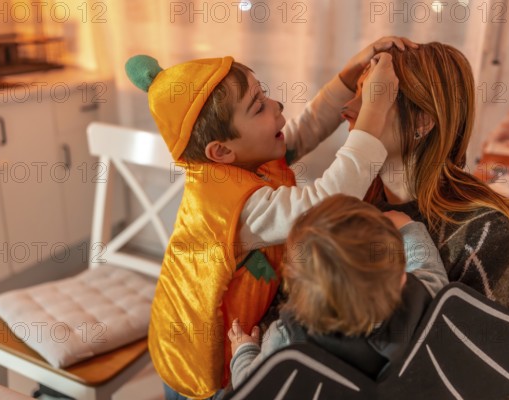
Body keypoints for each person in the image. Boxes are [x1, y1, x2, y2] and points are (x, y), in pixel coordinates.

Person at [125, 37, 417, 399]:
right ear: (221, 151)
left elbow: (305, 129)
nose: (276, 104)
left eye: (263, 94)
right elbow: (327, 201)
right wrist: (373, 113)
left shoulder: (243, 158)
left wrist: (346, 77)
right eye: (258, 107)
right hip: (202, 357)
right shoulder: (235, 207)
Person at [340, 42, 509, 319]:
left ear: (422, 122)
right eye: (356, 93)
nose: (347, 109)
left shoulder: (491, 234)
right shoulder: (356, 209)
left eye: (371, 97)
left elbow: (488, 356)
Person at [228, 194, 449, 388]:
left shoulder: (287, 339)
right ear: (401, 278)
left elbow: (253, 386)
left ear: (294, 290)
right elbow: (428, 268)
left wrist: (244, 350)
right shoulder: (423, 298)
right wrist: (407, 228)